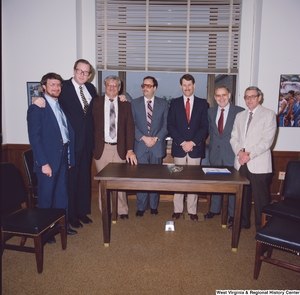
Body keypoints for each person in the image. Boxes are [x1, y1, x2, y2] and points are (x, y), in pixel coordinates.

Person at [33, 59, 98, 229]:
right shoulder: (64, 88)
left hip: (87, 141)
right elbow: (49, 98)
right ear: (74, 71)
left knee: (84, 179)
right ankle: (71, 216)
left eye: (86, 72)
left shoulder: (91, 89)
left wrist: (122, 97)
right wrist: (36, 99)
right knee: (71, 181)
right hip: (71, 143)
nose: (82, 74)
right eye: (80, 71)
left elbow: (98, 108)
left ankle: (82, 212)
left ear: (90, 75)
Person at [27, 72, 77, 244]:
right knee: (46, 198)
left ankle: (62, 226)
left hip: (62, 159)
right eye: (52, 85)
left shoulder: (58, 105)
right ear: (44, 87)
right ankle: (45, 230)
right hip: (47, 162)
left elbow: (65, 134)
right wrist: (44, 163)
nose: (56, 88)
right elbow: (35, 138)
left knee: (62, 196)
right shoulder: (37, 108)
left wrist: (68, 159)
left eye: (58, 85)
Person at [230, 86, 277, 232]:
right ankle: (243, 222)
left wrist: (248, 155)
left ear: (259, 97)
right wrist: (240, 153)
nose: (249, 100)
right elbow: (233, 138)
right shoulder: (240, 116)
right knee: (242, 196)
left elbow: (266, 141)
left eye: (252, 96)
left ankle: (262, 228)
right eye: (246, 97)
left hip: (259, 164)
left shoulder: (269, 114)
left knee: (260, 200)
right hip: (241, 164)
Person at [92, 75, 138, 219]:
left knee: (119, 181)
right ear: (104, 87)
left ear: (119, 88)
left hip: (120, 148)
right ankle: (105, 210)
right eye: (109, 85)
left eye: (115, 85)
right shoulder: (95, 102)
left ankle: (122, 210)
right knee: (103, 182)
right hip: (101, 148)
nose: (111, 87)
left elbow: (130, 128)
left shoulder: (125, 104)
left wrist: (130, 149)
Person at [167, 73, 209, 221]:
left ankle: (192, 210)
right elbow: (170, 125)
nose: (187, 87)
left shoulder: (203, 104)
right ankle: (177, 209)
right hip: (179, 148)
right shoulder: (174, 103)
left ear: (194, 86)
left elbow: (205, 127)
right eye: (184, 85)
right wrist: (182, 142)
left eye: (189, 85)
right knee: (177, 179)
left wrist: (192, 142)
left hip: (195, 149)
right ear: (181, 86)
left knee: (193, 180)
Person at [204, 86, 244, 229]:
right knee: (216, 182)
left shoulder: (239, 112)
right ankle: (215, 209)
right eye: (218, 95)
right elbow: (207, 130)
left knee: (232, 185)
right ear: (215, 97)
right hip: (215, 152)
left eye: (224, 95)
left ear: (230, 95)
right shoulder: (210, 112)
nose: (221, 98)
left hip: (231, 153)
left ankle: (233, 214)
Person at [131, 76, 169, 217]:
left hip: (156, 147)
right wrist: (143, 137)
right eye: (143, 85)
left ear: (155, 88)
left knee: (155, 178)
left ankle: (153, 206)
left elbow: (166, 125)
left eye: (148, 85)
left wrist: (156, 138)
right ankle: (141, 207)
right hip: (140, 146)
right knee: (141, 179)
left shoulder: (163, 104)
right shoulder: (134, 103)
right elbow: (132, 125)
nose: (145, 88)